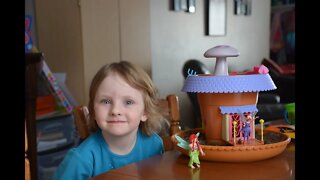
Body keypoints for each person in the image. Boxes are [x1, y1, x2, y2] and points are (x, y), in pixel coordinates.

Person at [53, 61, 169, 179]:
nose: (115, 110)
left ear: (145, 112)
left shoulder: (154, 145)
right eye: (106, 101)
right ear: (93, 109)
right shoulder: (80, 159)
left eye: (128, 102)